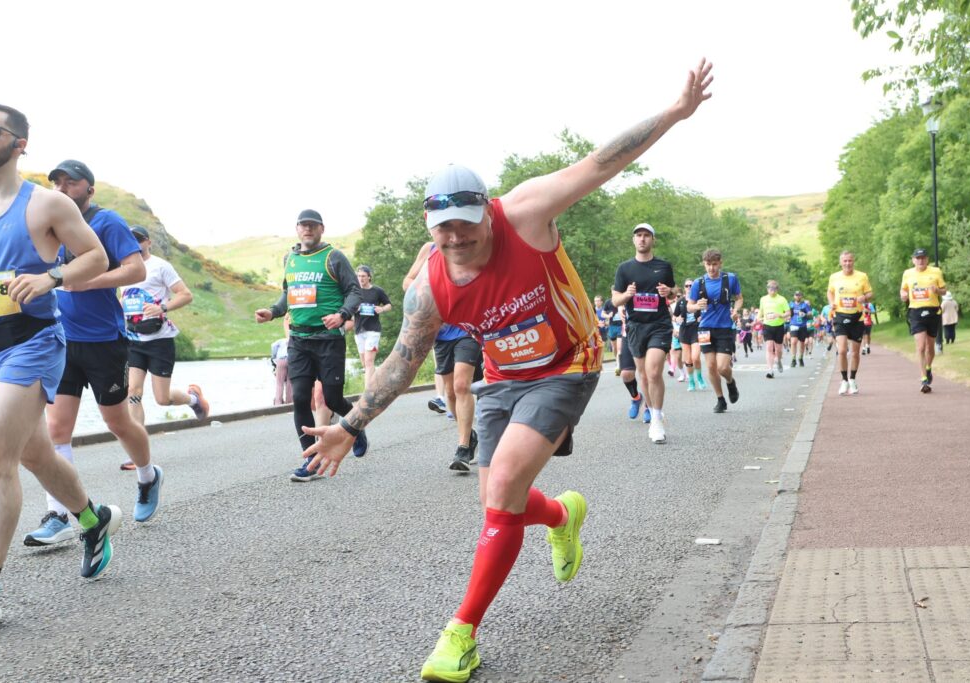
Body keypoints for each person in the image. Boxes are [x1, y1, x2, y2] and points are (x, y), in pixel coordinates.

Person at [298, 60, 713, 682]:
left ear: (486, 211)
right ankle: (562, 515)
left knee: (498, 493)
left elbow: (601, 161)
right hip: (503, 375)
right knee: (506, 502)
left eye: (466, 223)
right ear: (429, 228)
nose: (457, 239)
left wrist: (675, 113)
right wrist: (351, 426)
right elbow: (401, 362)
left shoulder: (526, 213)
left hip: (569, 361)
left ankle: (460, 633)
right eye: (443, 230)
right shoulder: (430, 286)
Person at [0, 104, 121, 624]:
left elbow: (96, 258)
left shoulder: (45, 204)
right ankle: (92, 519)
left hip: (31, 342)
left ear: (20, 143)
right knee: (35, 454)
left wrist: (51, 278)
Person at [24, 159, 163, 546]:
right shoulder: (50, 227)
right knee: (55, 428)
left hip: (104, 340)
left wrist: (88, 281)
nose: (64, 187)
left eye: (72, 181)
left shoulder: (108, 223)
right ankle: (59, 514)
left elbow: (135, 270)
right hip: (60, 339)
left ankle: (148, 476)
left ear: (90, 188)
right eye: (57, 182)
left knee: (117, 422)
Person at [254, 208, 366, 481]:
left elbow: (354, 291)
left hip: (328, 339)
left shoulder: (333, 257)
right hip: (299, 340)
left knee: (332, 399)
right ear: (297, 229)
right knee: (301, 399)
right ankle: (312, 462)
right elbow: (287, 294)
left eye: (313, 226)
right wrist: (272, 311)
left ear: (321, 229)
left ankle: (356, 427)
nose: (308, 230)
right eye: (303, 226)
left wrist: (342, 314)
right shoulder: (289, 259)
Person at [120, 225, 208, 470]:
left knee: (162, 399)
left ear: (148, 242)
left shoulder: (160, 266)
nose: (133, 245)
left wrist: (162, 307)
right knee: (133, 391)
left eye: (138, 240)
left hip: (159, 341)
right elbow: (125, 298)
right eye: (129, 240)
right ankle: (138, 454)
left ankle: (193, 399)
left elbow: (185, 294)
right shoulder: (123, 267)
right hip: (134, 340)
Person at [403, 242, 482, 471]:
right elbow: (407, 281)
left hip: (466, 328)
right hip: (441, 332)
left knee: (461, 385)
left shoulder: (469, 247)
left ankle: (463, 448)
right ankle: (469, 435)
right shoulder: (429, 249)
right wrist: (428, 292)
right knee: (449, 392)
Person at [612, 223, 675, 444]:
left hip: (659, 324)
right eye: (638, 235)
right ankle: (651, 408)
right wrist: (626, 295)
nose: (642, 239)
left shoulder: (664, 266)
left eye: (646, 235)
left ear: (652, 240)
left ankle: (656, 420)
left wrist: (670, 292)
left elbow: (674, 292)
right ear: (634, 240)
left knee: (654, 371)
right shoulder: (624, 269)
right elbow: (615, 299)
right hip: (636, 327)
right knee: (644, 375)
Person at [688, 249, 742, 413]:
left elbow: (739, 298)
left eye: (714, 264)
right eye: (708, 265)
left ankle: (730, 382)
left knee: (723, 367)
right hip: (705, 329)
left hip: (724, 328)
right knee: (711, 366)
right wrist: (697, 306)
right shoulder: (698, 283)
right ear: (704, 264)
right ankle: (720, 399)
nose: (711, 268)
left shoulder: (730, 279)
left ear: (720, 263)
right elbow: (690, 306)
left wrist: (735, 311)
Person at [900, 248, 946, 393]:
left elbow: (944, 290)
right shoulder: (907, 273)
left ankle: (928, 367)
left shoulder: (936, 271)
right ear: (913, 260)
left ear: (927, 259)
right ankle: (923, 378)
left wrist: (937, 291)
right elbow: (903, 290)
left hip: (932, 310)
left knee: (930, 347)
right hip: (916, 311)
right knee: (920, 346)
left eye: (923, 258)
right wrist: (903, 295)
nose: (920, 261)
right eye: (917, 258)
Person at [827, 250, 873, 396]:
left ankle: (852, 379)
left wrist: (864, 298)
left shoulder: (862, 276)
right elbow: (830, 292)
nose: (847, 263)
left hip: (857, 317)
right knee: (841, 350)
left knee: (855, 352)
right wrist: (832, 303)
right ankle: (843, 380)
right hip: (840, 316)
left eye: (850, 260)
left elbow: (870, 293)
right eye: (845, 261)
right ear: (840, 262)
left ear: (853, 261)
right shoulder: (834, 277)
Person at [354, 265, 392, 388]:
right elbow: (347, 306)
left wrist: (381, 309)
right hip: (359, 330)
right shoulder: (354, 291)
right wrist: (355, 308)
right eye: (359, 276)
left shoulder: (377, 291)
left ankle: (367, 393)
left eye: (363, 276)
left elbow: (389, 305)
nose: (361, 278)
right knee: (365, 363)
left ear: (369, 277)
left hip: (373, 330)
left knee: (369, 362)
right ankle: (377, 385)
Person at [672, 278, 706, 391]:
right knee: (688, 360)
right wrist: (677, 319)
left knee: (695, 357)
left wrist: (703, 317)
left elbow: (707, 311)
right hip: (684, 330)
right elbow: (674, 316)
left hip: (697, 329)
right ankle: (691, 381)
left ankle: (700, 378)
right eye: (686, 286)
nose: (689, 288)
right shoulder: (681, 301)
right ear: (684, 288)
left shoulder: (699, 300)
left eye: (691, 285)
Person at [757, 281, 790, 379]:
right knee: (769, 347)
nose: (772, 290)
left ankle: (779, 360)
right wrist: (759, 318)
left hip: (779, 326)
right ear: (767, 289)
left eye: (774, 288)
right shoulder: (763, 299)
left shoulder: (782, 299)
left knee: (778, 349)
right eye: (770, 288)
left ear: (777, 289)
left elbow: (788, 313)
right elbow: (761, 311)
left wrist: (779, 315)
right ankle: (770, 370)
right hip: (767, 325)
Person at [788, 290, 812, 368]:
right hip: (793, 325)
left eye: (799, 295)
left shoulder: (804, 305)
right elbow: (787, 312)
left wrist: (805, 314)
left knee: (802, 343)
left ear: (801, 296)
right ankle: (793, 359)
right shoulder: (791, 304)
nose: (798, 296)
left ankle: (801, 358)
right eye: (796, 295)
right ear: (794, 296)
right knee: (793, 341)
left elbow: (810, 314)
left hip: (802, 325)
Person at [271, 317, 291, 404]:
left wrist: (274, 359)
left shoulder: (281, 341)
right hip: (291, 359)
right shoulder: (294, 340)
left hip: (281, 360)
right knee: (290, 382)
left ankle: (278, 402)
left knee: (279, 382)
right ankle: (290, 402)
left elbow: (273, 348)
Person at [603, 297, 623, 376]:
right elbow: (602, 313)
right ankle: (617, 361)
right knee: (614, 348)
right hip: (612, 327)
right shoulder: (608, 302)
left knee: (619, 348)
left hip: (621, 326)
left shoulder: (622, 300)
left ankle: (618, 365)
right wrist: (608, 316)